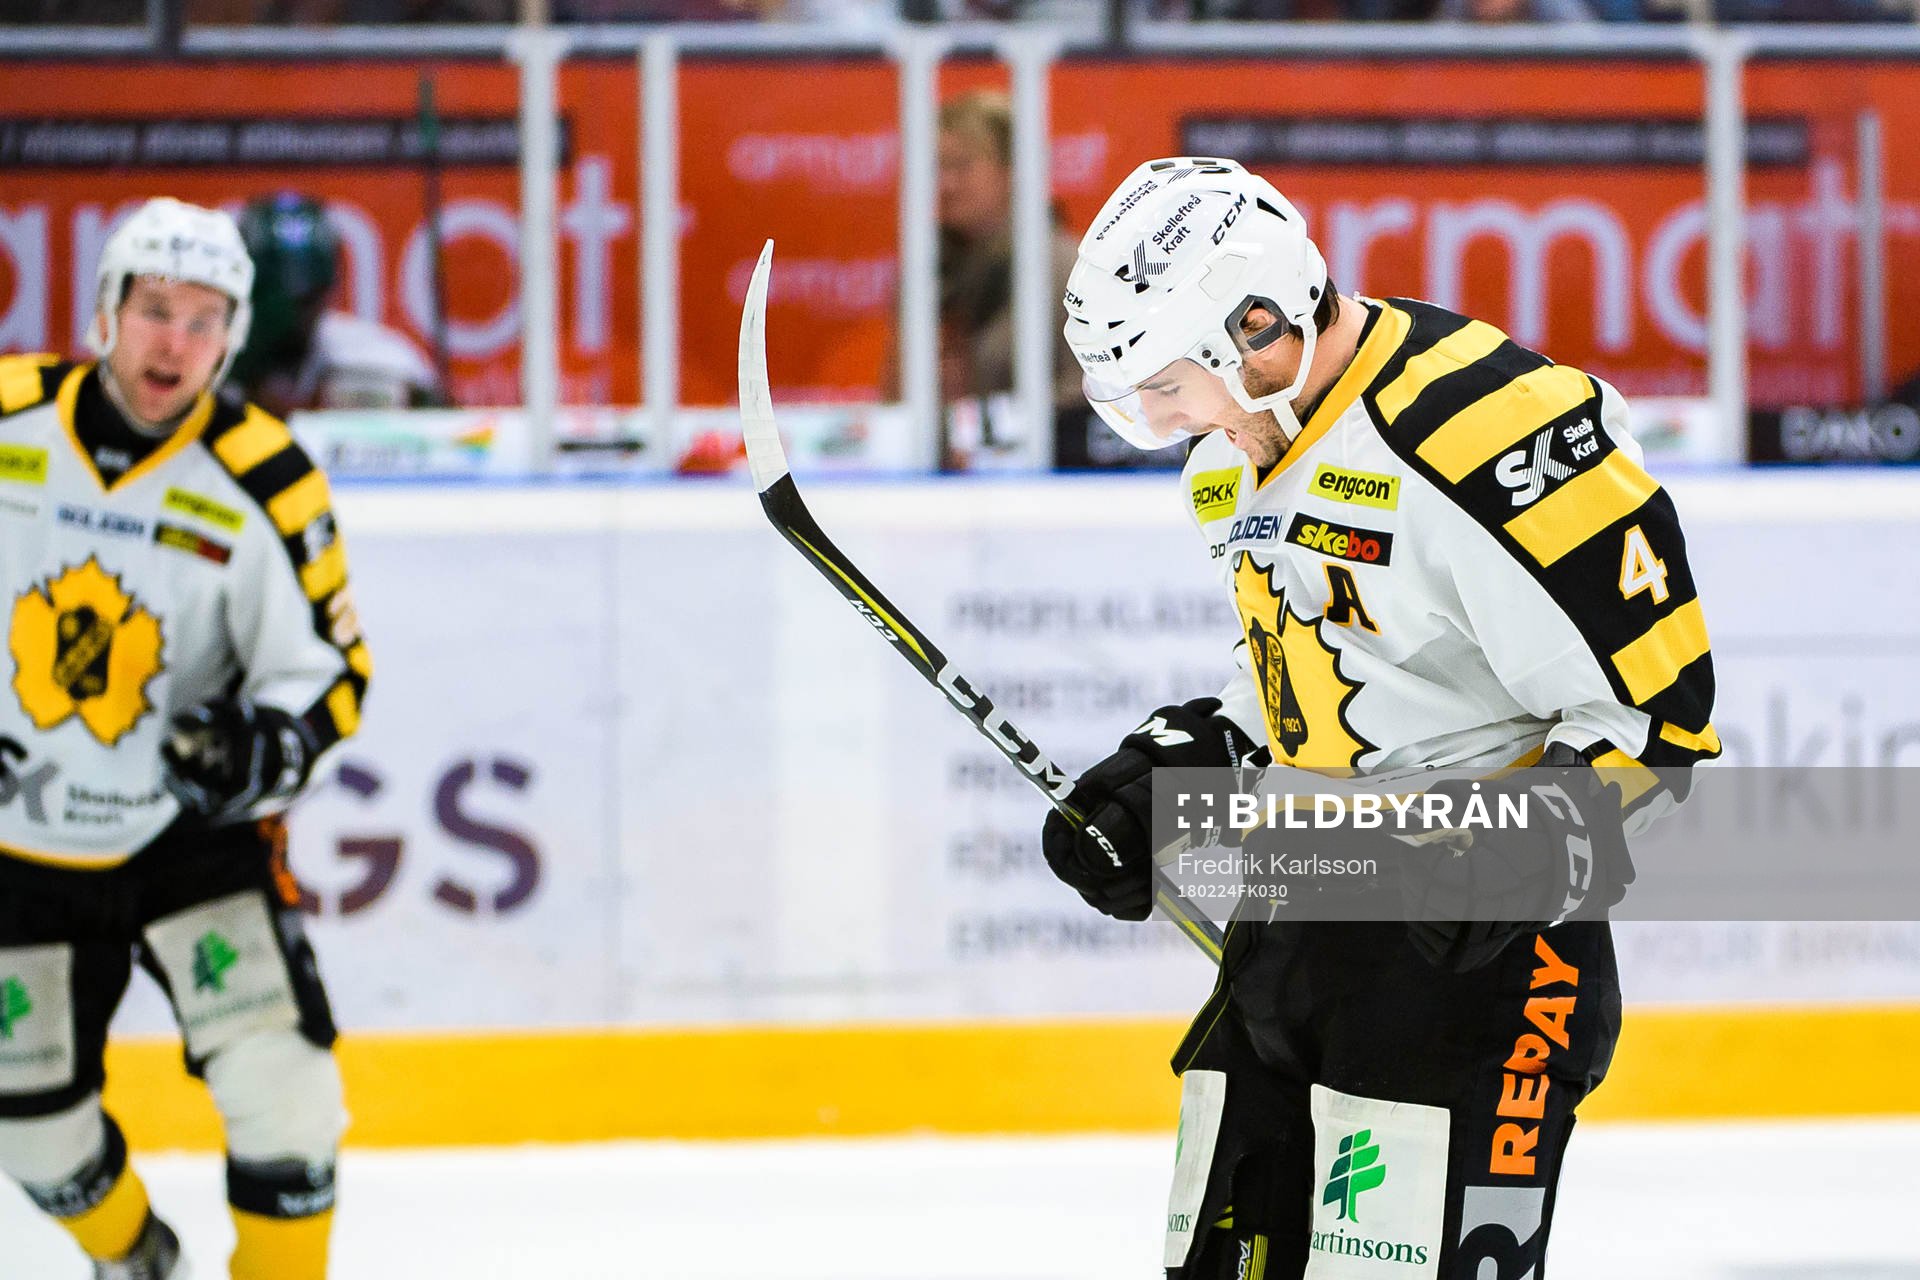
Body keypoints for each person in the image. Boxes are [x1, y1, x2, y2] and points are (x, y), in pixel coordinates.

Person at [1042, 158, 1718, 1278]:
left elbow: (1661, 720)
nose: (1156, 424)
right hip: (1296, 934)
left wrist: (1518, 856)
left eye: (1164, 384)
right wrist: (1183, 763)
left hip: (1484, 977)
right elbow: (1308, 682)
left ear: (1257, 326)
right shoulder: (1232, 455)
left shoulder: (1490, 433)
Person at [0, 197, 368, 1279]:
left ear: (236, 333)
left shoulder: (267, 476)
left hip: (189, 838)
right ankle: (134, 1258)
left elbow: (331, 674)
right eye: (154, 308)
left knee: (288, 1095)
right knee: (31, 1127)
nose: (176, 341)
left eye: (206, 318)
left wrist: (267, 746)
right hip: (17, 844)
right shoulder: (9, 419)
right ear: (105, 309)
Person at [231, 192, 442, 418]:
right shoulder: (212, 356)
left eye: (305, 298)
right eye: (272, 296)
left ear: (327, 290)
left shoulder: (375, 360)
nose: (288, 314)